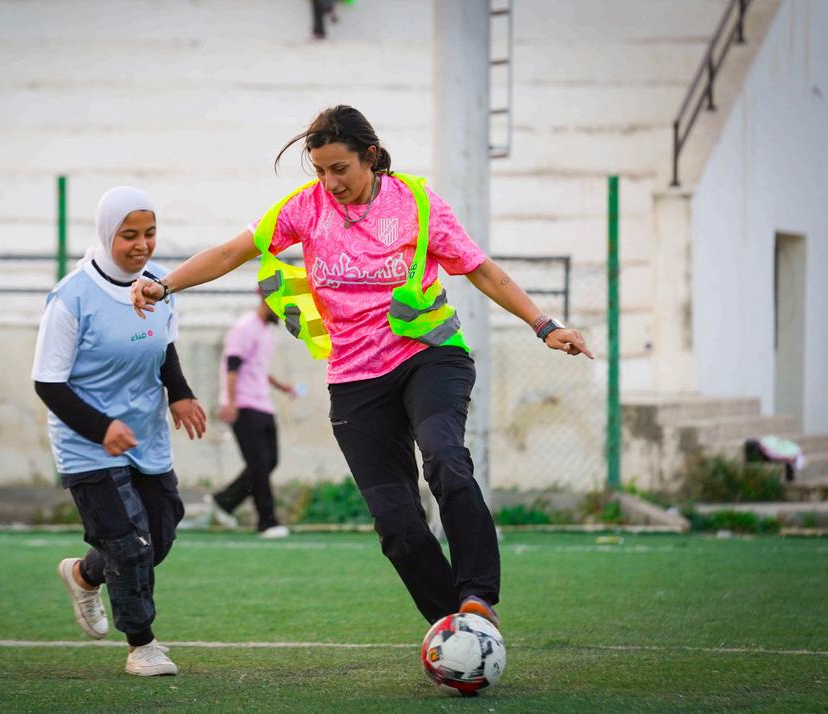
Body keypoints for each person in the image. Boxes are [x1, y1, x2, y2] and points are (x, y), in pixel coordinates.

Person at [131, 105, 593, 630]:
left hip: (427, 356)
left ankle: (478, 596)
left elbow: (481, 269)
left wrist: (544, 325)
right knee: (396, 522)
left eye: (340, 169)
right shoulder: (305, 208)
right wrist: (164, 284)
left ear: (370, 156)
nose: (330, 182)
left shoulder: (416, 203)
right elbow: (230, 253)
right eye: (320, 170)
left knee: (445, 457)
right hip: (354, 379)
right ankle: (456, 627)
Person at [32, 186, 207, 677]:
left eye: (150, 233)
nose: (142, 245)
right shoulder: (71, 297)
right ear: (106, 233)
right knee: (129, 545)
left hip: (144, 435)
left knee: (159, 536)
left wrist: (180, 392)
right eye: (129, 235)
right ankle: (142, 646)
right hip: (87, 442)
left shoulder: (159, 285)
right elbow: (48, 382)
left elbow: (164, 346)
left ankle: (85, 574)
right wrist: (101, 427)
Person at [206, 295, 296, 538]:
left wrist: (280, 386)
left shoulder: (267, 332)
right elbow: (232, 365)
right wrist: (230, 402)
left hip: (263, 403)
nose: (282, 313)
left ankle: (224, 501)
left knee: (270, 461)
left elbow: (257, 367)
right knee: (258, 464)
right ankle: (267, 522)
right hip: (243, 405)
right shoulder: (245, 327)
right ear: (265, 300)